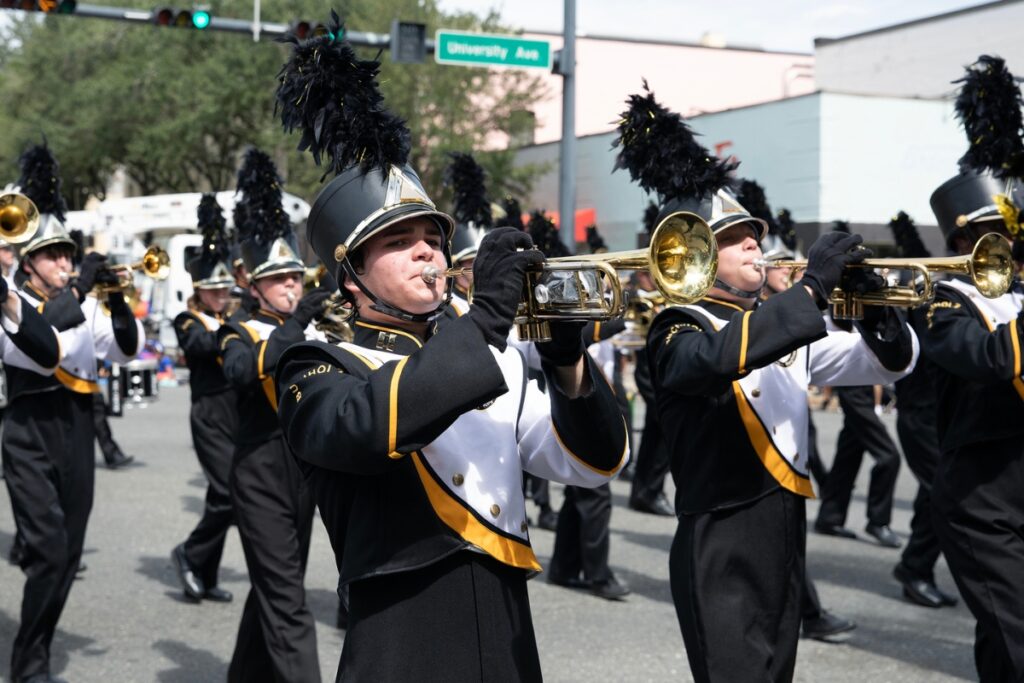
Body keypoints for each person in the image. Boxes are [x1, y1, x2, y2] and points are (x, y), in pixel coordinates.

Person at [274, 25, 628, 679]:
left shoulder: (494, 355)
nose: (427, 251)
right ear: (350, 274)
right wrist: (490, 318)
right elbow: (364, 427)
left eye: (432, 237)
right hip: (401, 633)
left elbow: (589, 464)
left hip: (508, 623)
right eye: (399, 240)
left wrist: (567, 363)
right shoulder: (318, 364)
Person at [614, 85, 916, 681]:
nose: (755, 241)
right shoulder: (681, 324)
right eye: (733, 237)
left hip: (783, 529)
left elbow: (882, 365)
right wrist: (810, 291)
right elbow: (718, 357)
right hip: (719, 534)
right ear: (694, 255)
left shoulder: (776, 324)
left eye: (754, 232)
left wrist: (880, 310)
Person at [3, 144, 143, 683]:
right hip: (28, 431)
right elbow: (44, 348)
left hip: (78, 427)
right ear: (28, 260)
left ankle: (37, 643)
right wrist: (83, 284)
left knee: (68, 554)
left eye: (69, 254)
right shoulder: (15, 304)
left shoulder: (84, 301)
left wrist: (119, 298)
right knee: (48, 553)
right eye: (54, 255)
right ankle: (28, 661)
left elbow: (124, 350)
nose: (64, 263)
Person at [218, 149, 327, 683]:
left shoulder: (311, 326)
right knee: (288, 602)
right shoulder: (238, 331)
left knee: (276, 587)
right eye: (279, 279)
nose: (291, 285)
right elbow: (244, 372)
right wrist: (299, 322)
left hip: (301, 473)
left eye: (295, 276)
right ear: (254, 286)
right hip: (258, 474)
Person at [918, 167, 1024, 679]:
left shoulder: (1019, 293)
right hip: (981, 502)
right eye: (997, 231)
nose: (1010, 239)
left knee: (1003, 647)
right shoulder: (945, 300)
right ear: (963, 239)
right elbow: (991, 359)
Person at [886, 211, 958, 608]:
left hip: (940, 414)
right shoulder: (929, 297)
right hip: (918, 414)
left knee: (932, 495)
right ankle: (915, 568)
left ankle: (916, 568)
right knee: (942, 493)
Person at [170, 193, 239, 604]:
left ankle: (204, 571)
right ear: (200, 289)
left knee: (223, 495)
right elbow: (197, 346)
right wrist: (231, 332)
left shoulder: (230, 318)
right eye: (213, 289)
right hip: (209, 413)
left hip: (237, 412)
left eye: (224, 287)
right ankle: (190, 553)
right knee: (228, 493)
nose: (221, 294)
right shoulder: (188, 318)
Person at [813, 382, 903, 548]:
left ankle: (829, 518)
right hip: (854, 389)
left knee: (848, 455)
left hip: (863, 387)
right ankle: (878, 521)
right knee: (889, 457)